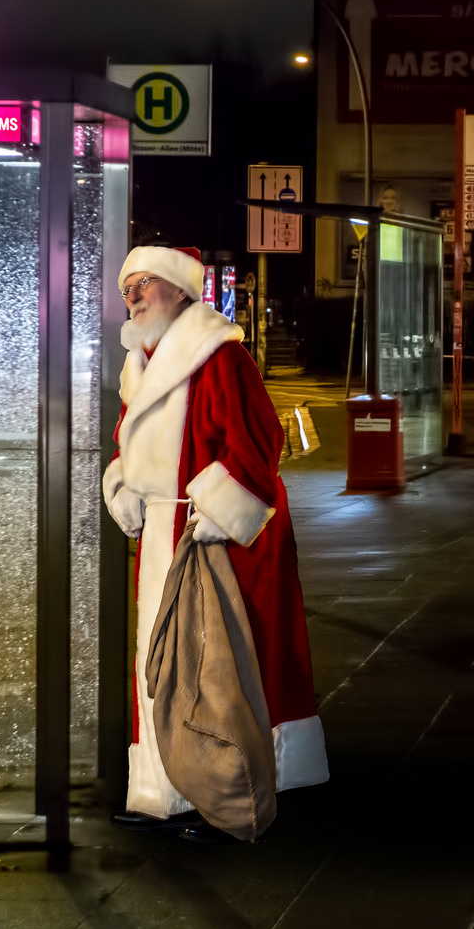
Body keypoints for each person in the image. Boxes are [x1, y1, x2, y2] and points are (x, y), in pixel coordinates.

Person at [103, 245, 328, 844]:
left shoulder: (219, 354)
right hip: (166, 530)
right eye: (129, 286)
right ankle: (167, 789)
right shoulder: (140, 363)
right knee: (167, 662)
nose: (134, 295)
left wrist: (213, 511)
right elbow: (131, 441)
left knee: (220, 664)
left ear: (179, 290)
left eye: (146, 283)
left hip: (216, 538)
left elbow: (257, 445)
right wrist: (123, 481)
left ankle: (229, 787)